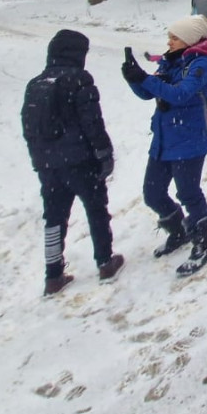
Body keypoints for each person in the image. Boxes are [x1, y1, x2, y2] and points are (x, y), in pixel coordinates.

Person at [21, 28, 122, 297]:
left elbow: (28, 127)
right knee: (96, 210)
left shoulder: (35, 84)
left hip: (48, 166)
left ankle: (53, 275)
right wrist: (104, 154)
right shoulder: (79, 80)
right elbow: (93, 122)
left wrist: (40, 159)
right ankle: (105, 262)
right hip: (80, 161)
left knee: (54, 218)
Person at [122, 14, 207, 275]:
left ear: (189, 39)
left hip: (188, 140)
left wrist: (146, 79)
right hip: (163, 140)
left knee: (188, 193)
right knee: (152, 192)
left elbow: (181, 94)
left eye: (175, 37)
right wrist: (134, 77)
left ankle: (202, 245)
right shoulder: (169, 62)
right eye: (169, 37)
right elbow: (147, 93)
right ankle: (178, 231)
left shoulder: (201, 65)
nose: (169, 42)